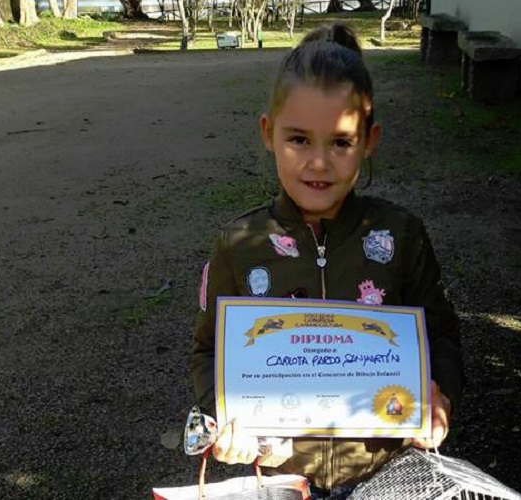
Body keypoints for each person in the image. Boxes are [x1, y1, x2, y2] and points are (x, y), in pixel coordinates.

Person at [189, 22, 464, 499]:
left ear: (369, 140)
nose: (318, 162)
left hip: (388, 475)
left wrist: (441, 396)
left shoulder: (401, 236)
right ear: (268, 133)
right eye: (299, 139)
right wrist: (227, 414)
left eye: (340, 142)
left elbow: (440, 333)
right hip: (282, 477)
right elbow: (208, 351)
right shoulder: (238, 245)